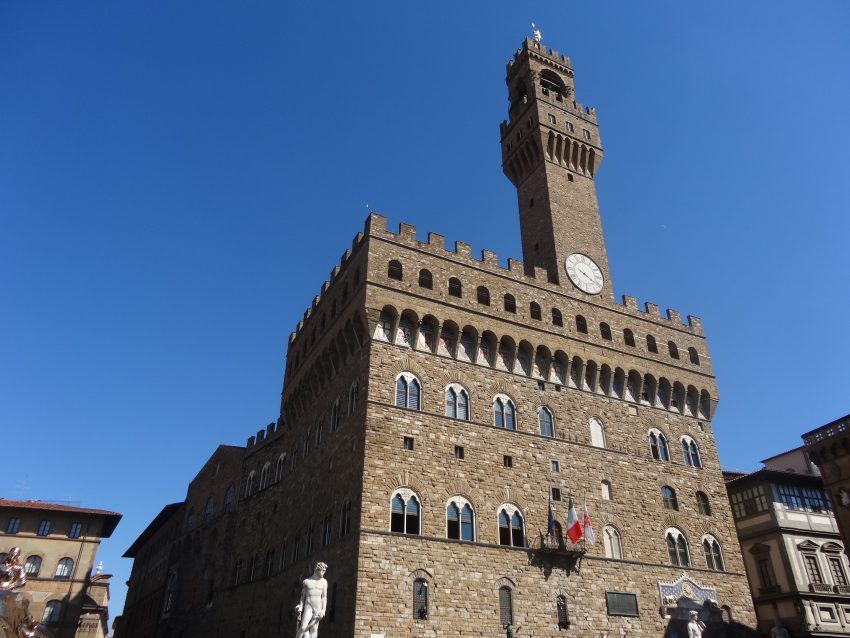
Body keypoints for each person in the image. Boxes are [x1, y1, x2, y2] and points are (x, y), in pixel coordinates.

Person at [294, 562, 328, 638]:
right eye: (322, 571)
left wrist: (323, 609)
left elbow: (324, 597)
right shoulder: (306, 581)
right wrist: (301, 607)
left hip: (318, 606)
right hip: (308, 605)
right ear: (316, 570)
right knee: (303, 627)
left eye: (324, 571)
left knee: (314, 629)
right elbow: (303, 596)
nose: (323, 573)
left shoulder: (324, 582)